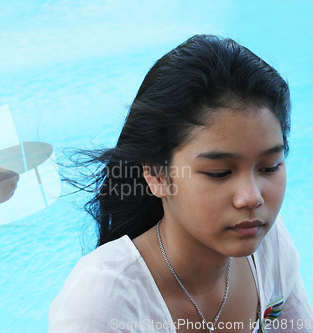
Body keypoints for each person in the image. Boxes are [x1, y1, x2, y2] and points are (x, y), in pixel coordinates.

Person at [49, 35, 313, 333]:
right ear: (157, 175)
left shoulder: (269, 247)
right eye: (219, 172)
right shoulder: (103, 303)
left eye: (269, 167)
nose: (251, 198)